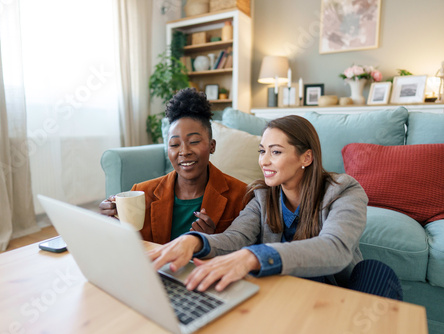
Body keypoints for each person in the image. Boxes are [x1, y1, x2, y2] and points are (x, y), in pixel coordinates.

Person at [148, 115, 402, 300]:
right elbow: (236, 238)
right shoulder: (261, 196)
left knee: (376, 270)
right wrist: (195, 241)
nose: (264, 161)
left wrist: (254, 256)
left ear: (306, 157)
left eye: (276, 152)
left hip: (335, 286)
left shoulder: (344, 190)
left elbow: (335, 249)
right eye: (262, 151)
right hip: (290, 290)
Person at [99, 88, 247, 244]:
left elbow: (245, 249)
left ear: (212, 146)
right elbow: (125, 245)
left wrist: (213, 242)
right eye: (174, 144)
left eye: (194, 142)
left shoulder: (241, 195)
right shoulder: (141, 194)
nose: (184, 151)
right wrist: (107, 222)